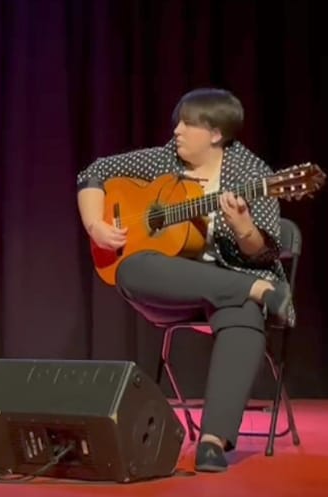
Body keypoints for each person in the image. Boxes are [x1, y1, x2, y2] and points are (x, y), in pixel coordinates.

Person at [75, 88, 293, 472]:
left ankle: (213, 441)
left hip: (232, 279)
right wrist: (96, 225)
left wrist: (244, 230)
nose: (176, 131)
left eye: (187, 124)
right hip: (173, 288)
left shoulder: (252, 174)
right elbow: (93, 172)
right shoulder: (165, 159)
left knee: (243, 315)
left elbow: (263, 253)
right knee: (129, 268)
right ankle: (256, 292)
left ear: (215, 134)